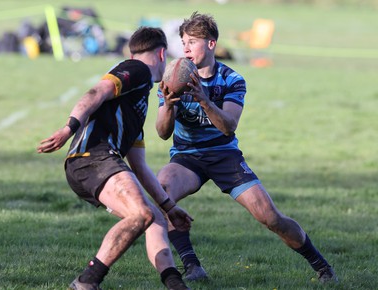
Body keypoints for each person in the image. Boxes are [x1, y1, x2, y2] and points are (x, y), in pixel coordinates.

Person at [156, 12, 338, 284]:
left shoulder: (232, 80)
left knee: (270, 217)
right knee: (163, 195)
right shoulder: (173, 77)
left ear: (210, 44)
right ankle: (193, 266)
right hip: (187, 157)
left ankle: (322, 267)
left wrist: (204, 100)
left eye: (192, 41)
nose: (185, 48)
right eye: (183, 41)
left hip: (224, 155)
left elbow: (228, 126)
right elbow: (162, 133)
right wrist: (169, 105)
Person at [37, 26, 193, 290]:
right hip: (93, 157)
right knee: (142, 214)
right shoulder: (138, 70)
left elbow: (140, 166)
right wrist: (68, 128)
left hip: (92, 164)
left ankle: (175, 283)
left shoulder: (135, 103)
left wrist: (169, 207)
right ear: (162, 53)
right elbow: (96, 92)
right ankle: (87, 281)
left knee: (153, 218)